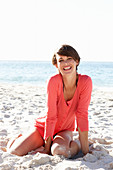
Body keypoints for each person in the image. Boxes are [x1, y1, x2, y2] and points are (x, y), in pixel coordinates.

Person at [7, 44, 92, 158]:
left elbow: (82, 115)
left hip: (65, 130)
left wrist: (85, 151)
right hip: (43, 127)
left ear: (76, 61)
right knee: (14, 152)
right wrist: (46, 149)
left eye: (69, 59)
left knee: (60, 151)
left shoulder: (85, 81)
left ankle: (77, 143)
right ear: (56, 65)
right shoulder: (53, 81)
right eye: (61, 60)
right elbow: (51, 115)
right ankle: (22, 138)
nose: (66, 63)